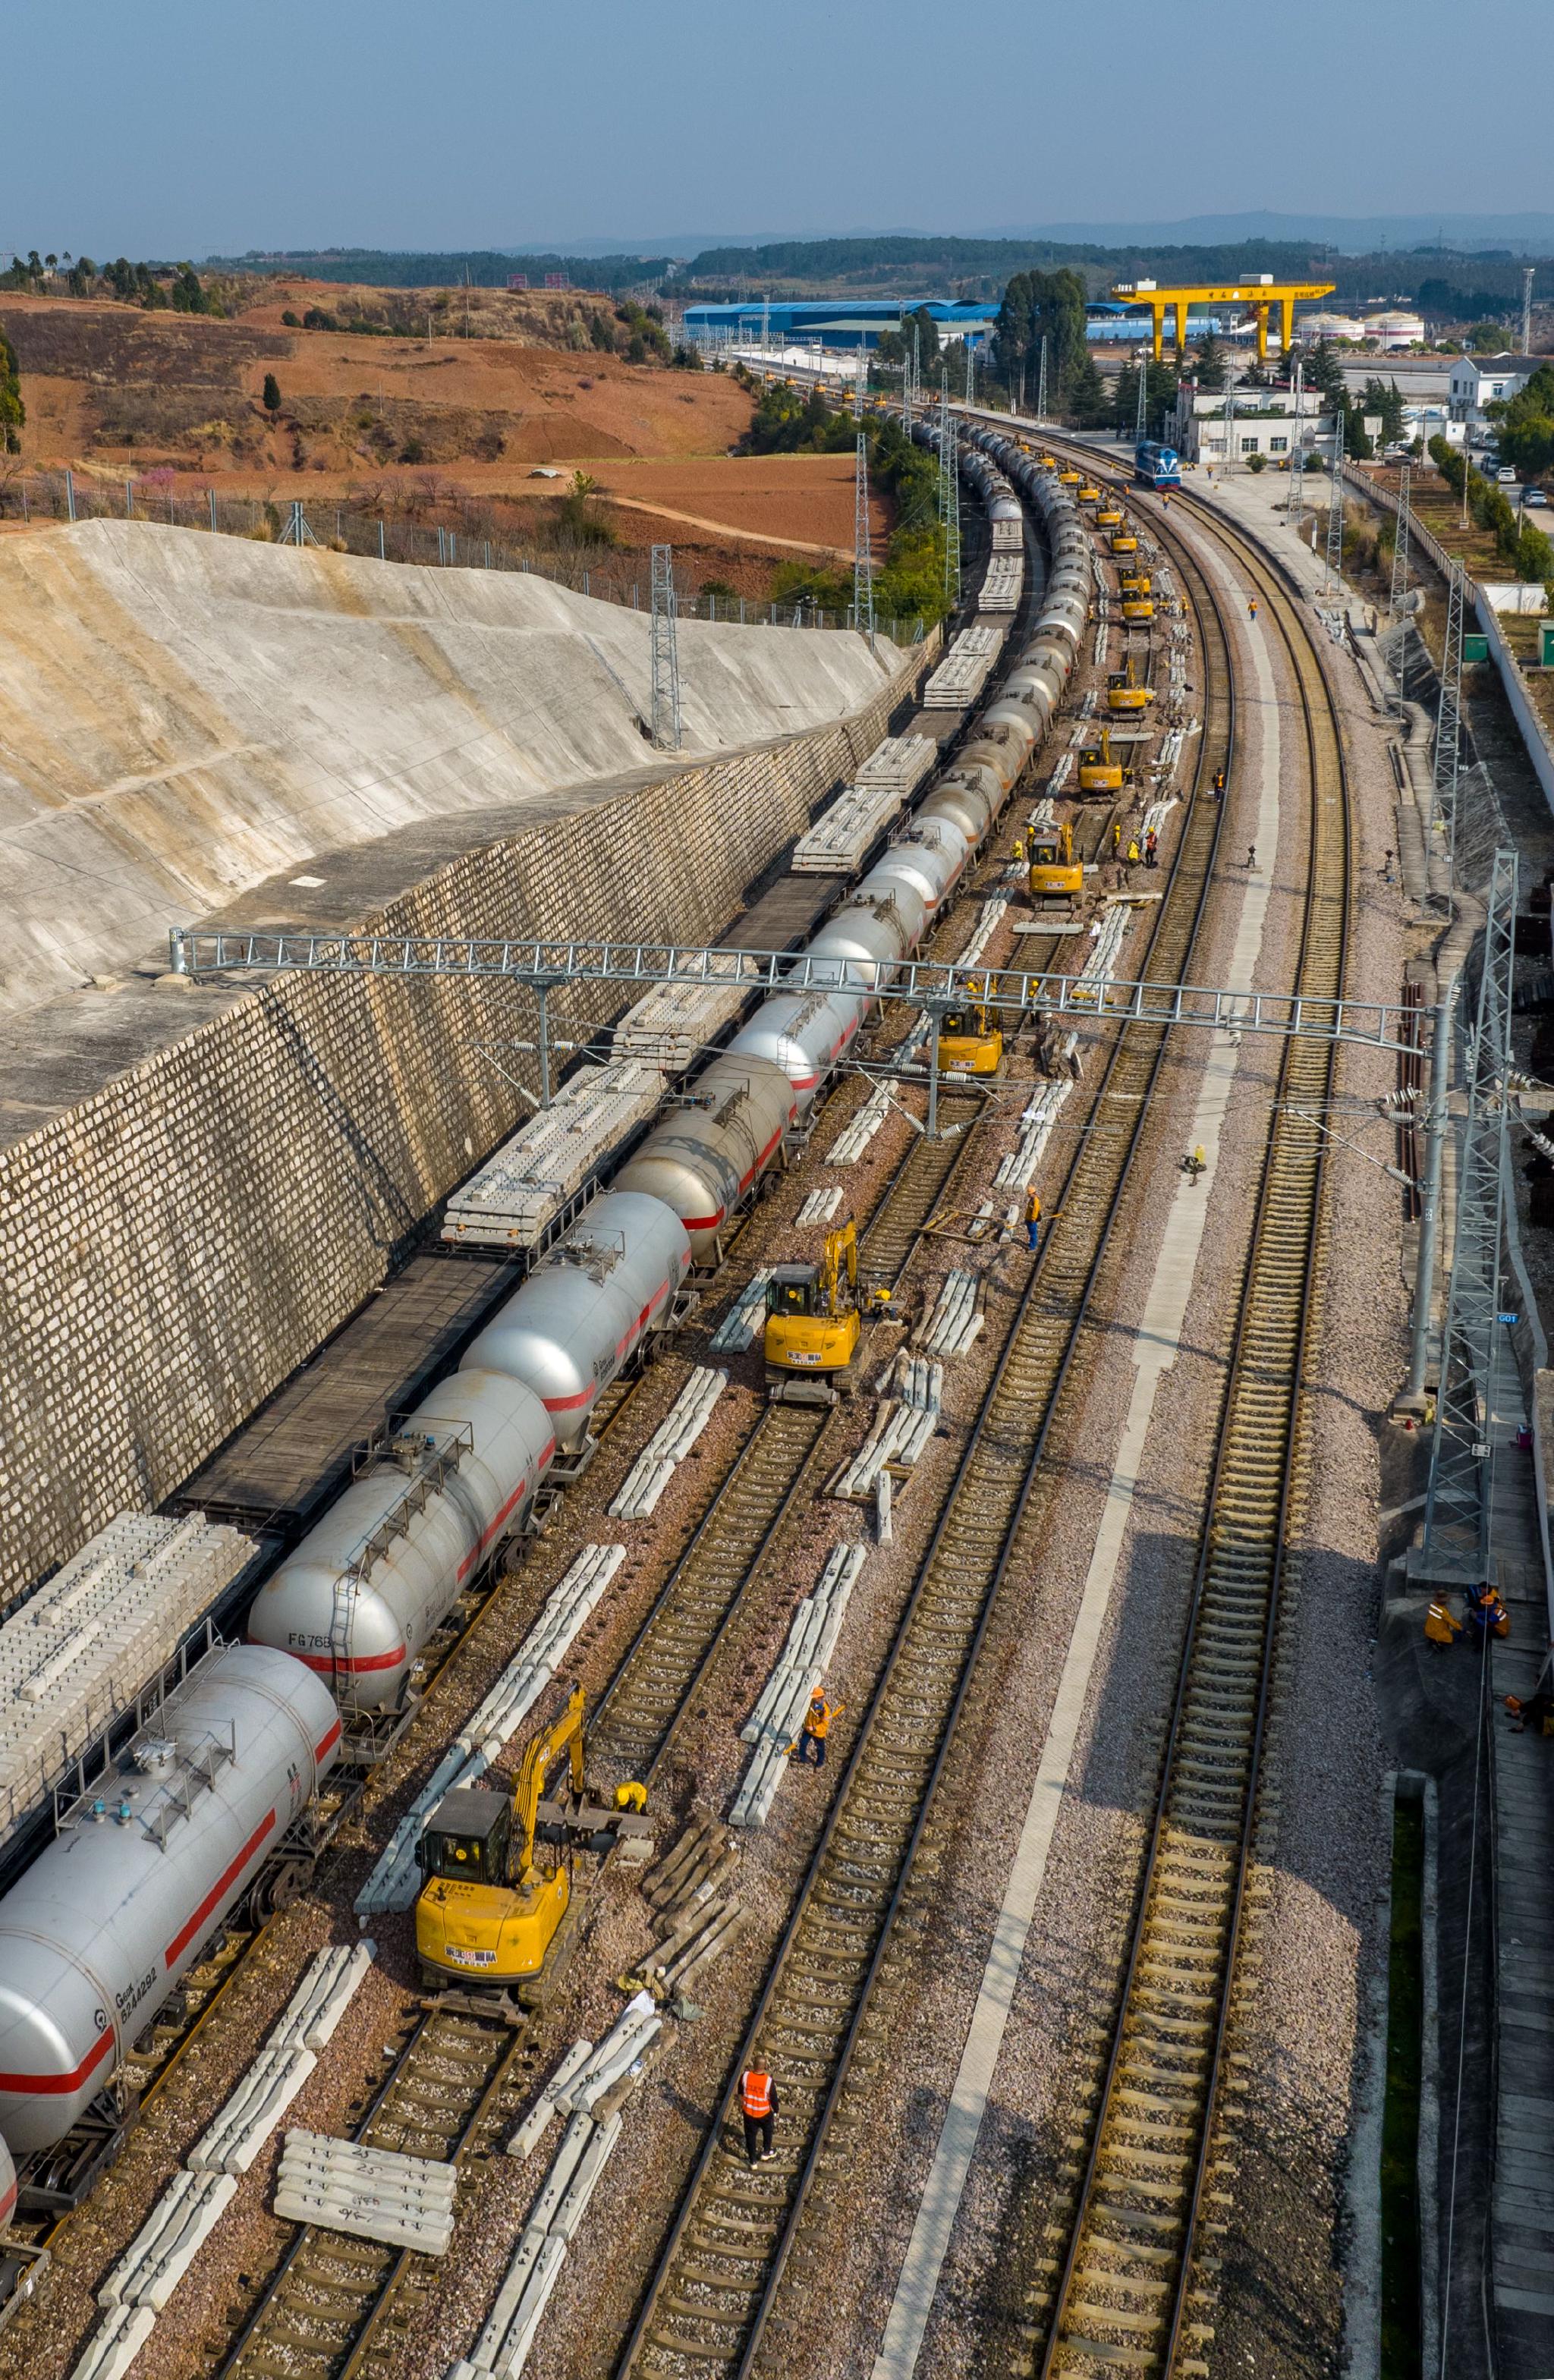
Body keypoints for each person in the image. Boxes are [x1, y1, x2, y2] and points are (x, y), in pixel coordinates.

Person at [791, 1690, 843, 1767]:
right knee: (803, 1744)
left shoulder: (825, 1710)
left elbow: (824, 1725)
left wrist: (814, 1728)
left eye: (815, 1697)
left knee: (820, 1748)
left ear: (820, 1697)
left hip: (818, 1733)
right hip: (808, 1729)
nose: (813, 1698)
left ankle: (819, 1764)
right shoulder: (813, 1703)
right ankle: (803, 1759)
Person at [740, 2065, 779, 2166]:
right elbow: (774, 2098)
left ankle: (753, 2161)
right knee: (768, 2131)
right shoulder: (768, 2081)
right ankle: (766, 2152)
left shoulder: (745, 2076)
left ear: (754, 2065)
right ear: (764, 2067)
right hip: (764, 2113)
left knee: (750, 2136)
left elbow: (741, 2092)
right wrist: (776, 2110)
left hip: (749, 2113)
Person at [1024, 1185, 1043, 1252]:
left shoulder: (1035, 1201)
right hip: (1029, 1219)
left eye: (1029, 1194)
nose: (1028, 1195)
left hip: (1032, 1220)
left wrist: (1033, 1219)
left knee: (1033, 1234)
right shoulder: (1032, 1199)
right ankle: (1032, 1244)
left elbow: (1035, 1211)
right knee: (1031, 1233)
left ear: (1033, 1193)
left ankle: (1033, 1247)